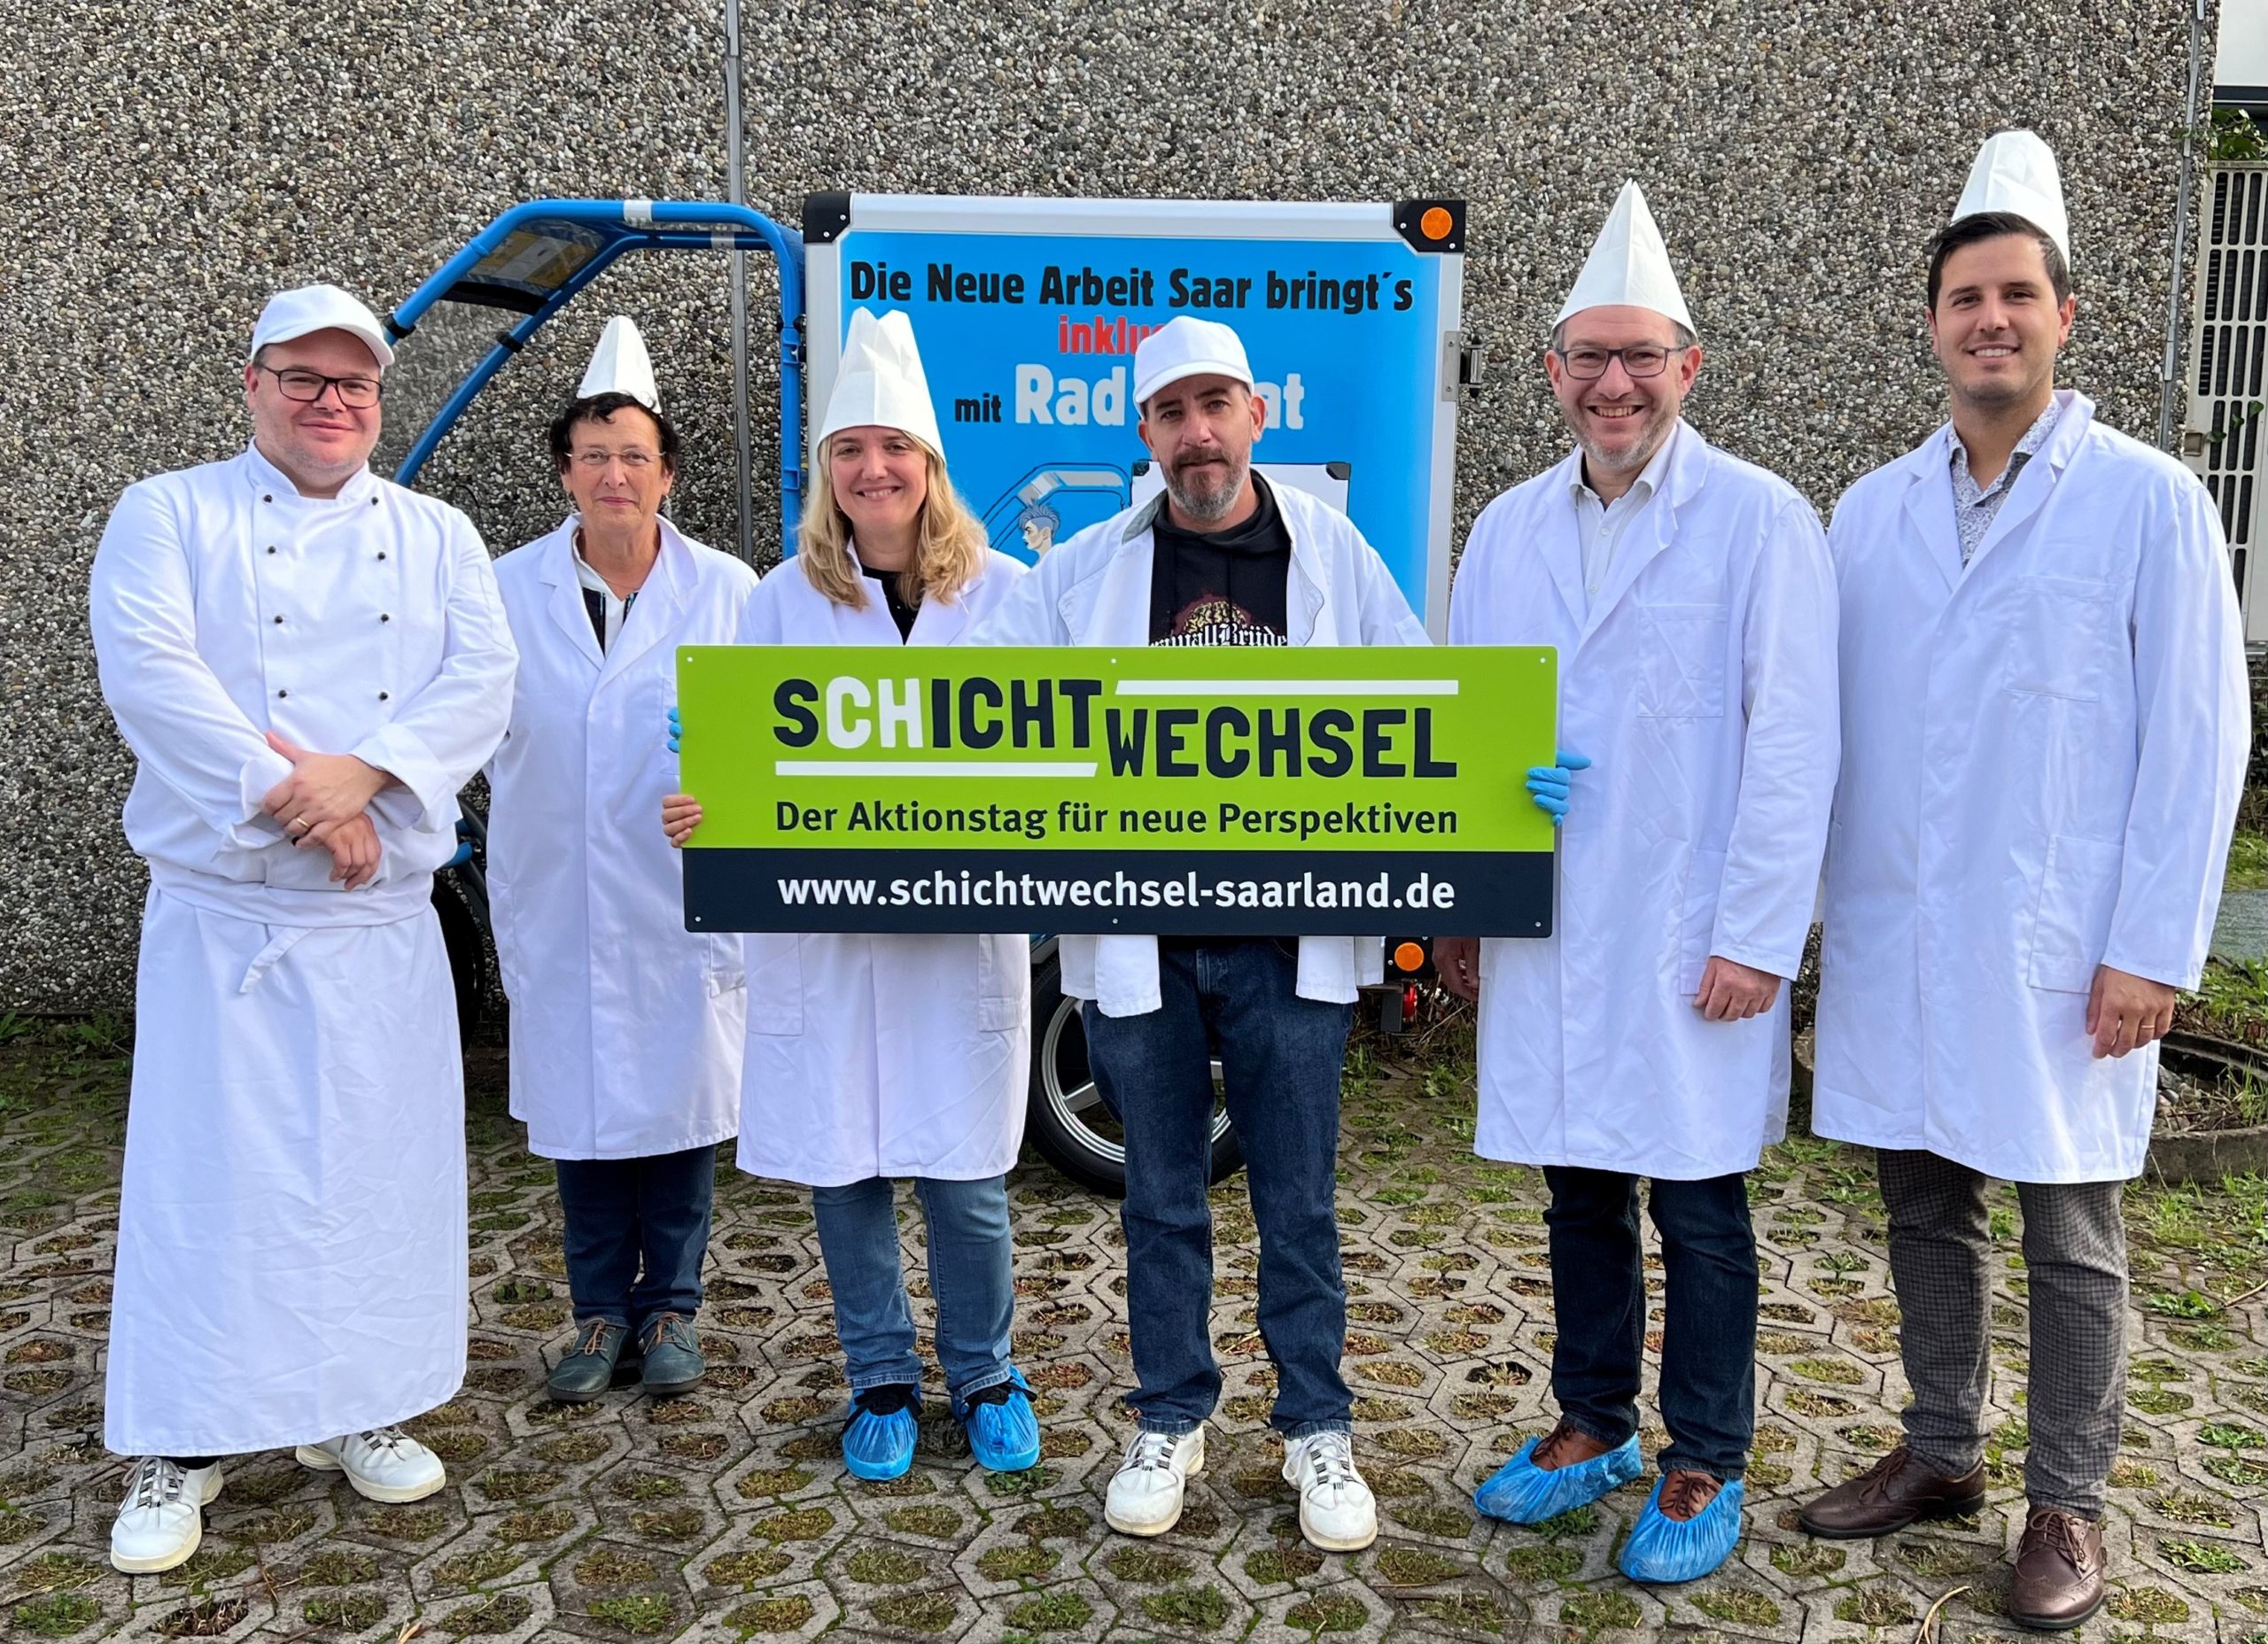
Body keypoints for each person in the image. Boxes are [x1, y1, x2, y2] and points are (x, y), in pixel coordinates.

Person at [1798, 131, 2249, 1630]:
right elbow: (1820, 722)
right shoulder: (1870, 511)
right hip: (1905, 929)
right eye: (1964, 298)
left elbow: (2200, 738)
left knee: (2072, 1234)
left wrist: (2154, 948)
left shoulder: (2147, 501)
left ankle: (2067, 1499)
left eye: (2015, 295)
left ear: (2065, 315)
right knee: (1923, 1204)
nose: (1989, 319)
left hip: (2065, 946)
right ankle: (1940, 1449)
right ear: (1932, 325)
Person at [970, 315, 1429, 1553]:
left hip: (1292, 942)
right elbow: (978, 706)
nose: (1198, 434)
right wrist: (766, 757)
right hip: (1144, 939)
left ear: (1256, 415)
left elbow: (1424, 700)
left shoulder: (1330, 551)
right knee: (1161, 1196)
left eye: (1216, 404)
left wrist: (1507, 788)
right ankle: (1171, 1413)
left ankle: (1315, 1425)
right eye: (1172, 413)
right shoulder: (1086, 570)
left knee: (1298, 1200)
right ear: (1145, 433)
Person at [1438, 181, 1839, 1584]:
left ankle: (1704, 1452)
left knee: (1702, 1206)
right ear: (1553, 372)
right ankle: (1593, 1420)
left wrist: (1759, 937)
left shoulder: (1761, 521)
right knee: (1580, 1187)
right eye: (1590, 358)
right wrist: (1471, 896)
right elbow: (1466, 726)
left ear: (1689, 367)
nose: (1615, 384)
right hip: (1553, 922)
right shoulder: (1507, 527)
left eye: (1641, 358)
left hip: (1687, 931)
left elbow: (1796, 743)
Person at [89, 283, 517, 1573]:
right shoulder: (168, 513)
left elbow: (481, 680)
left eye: (354, 384)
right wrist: (301, 802)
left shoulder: (436, 532)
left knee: (376, 1181)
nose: (332, 403)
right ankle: (182, 1440)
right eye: (304, 379)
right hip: (228, 924)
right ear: (254, 384)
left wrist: (363, 777)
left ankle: (360, 1403)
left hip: (377, 929)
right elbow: (152, 674)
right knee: (210, 1186)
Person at [662, 308, 1040, 1481]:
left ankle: (985, 1372)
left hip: (955, 943)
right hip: (826, 945)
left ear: (931, 466)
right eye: (850, 451)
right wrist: (704, 802)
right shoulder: (781, 600)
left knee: (966, 1181)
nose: (873, 470)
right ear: (828, 472)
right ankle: (880, 1375)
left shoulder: (1011, 596)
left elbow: (1058, 759)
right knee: (848, 1170)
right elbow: (741, 766)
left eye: (894, 449)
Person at [487, 317, 757, 1404]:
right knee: (584, 1119)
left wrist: (735, 804)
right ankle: (598, 1314)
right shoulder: (505, 589)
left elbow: (769, 738)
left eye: (633, 455)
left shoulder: (728, 590)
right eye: (593, 455)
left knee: (677, 1111)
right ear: (565, 470)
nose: (614, 475)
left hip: (677, 896)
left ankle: (672, 1309)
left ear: (666, 474)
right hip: (558, 892)